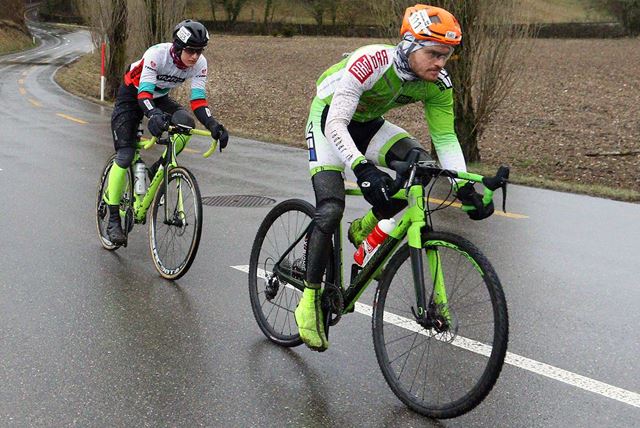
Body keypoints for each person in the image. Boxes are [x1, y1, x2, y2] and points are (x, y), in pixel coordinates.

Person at [294, 4, 494, 351]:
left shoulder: (438, 84)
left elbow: (445, 138)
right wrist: (362, 169)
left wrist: (465, 188)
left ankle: (366, 227)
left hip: (368, 125)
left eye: (446, 55)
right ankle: (309, 301)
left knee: (422, 165)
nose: (441, 63)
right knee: (330, 208)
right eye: (434, 54)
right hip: (330, 120)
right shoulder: (371, 62)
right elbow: (337, 124)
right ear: (409, 45)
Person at [105, 19, 229, 246]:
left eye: (199, 51)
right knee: (125, 154)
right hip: (132, 95)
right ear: (178, 47)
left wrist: (212, 124)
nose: (195, 56)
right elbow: (144, 95)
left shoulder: (200, 64)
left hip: (159, 97)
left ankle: (159, 167)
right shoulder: (157, 55)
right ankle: (113, 219)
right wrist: (153, 115)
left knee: (185, 125)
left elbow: (198, 101)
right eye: (190, 50)